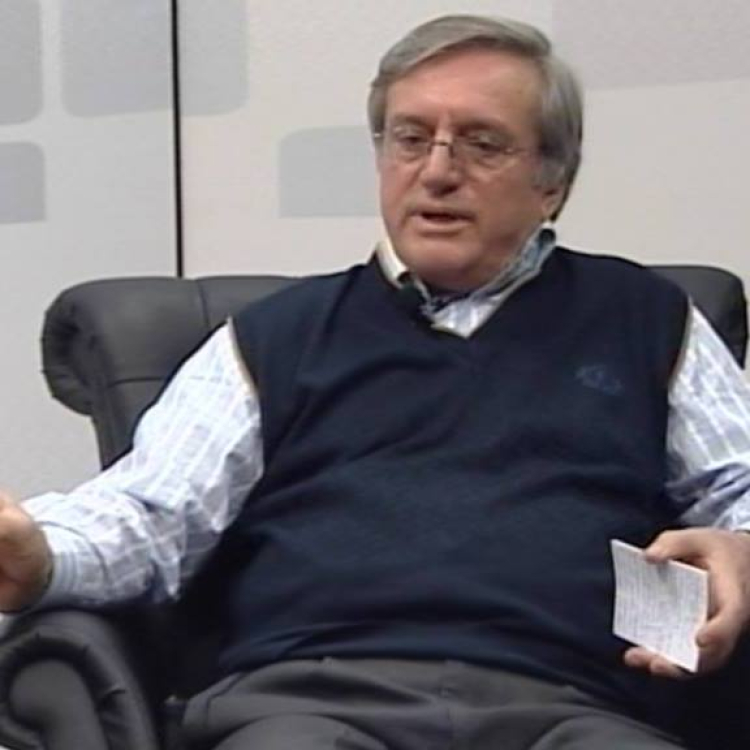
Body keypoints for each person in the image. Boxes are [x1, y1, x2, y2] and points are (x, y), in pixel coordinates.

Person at [3, 13, 750, 750]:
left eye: (482, 143)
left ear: (552, 180)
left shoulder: (648, 319)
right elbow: (151, 513)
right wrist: (40, 555)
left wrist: (741, 546)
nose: (438, 172)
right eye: (410, 138)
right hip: (311, 699)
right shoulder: (272, 338)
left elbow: (740, 486)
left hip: (574, 704)